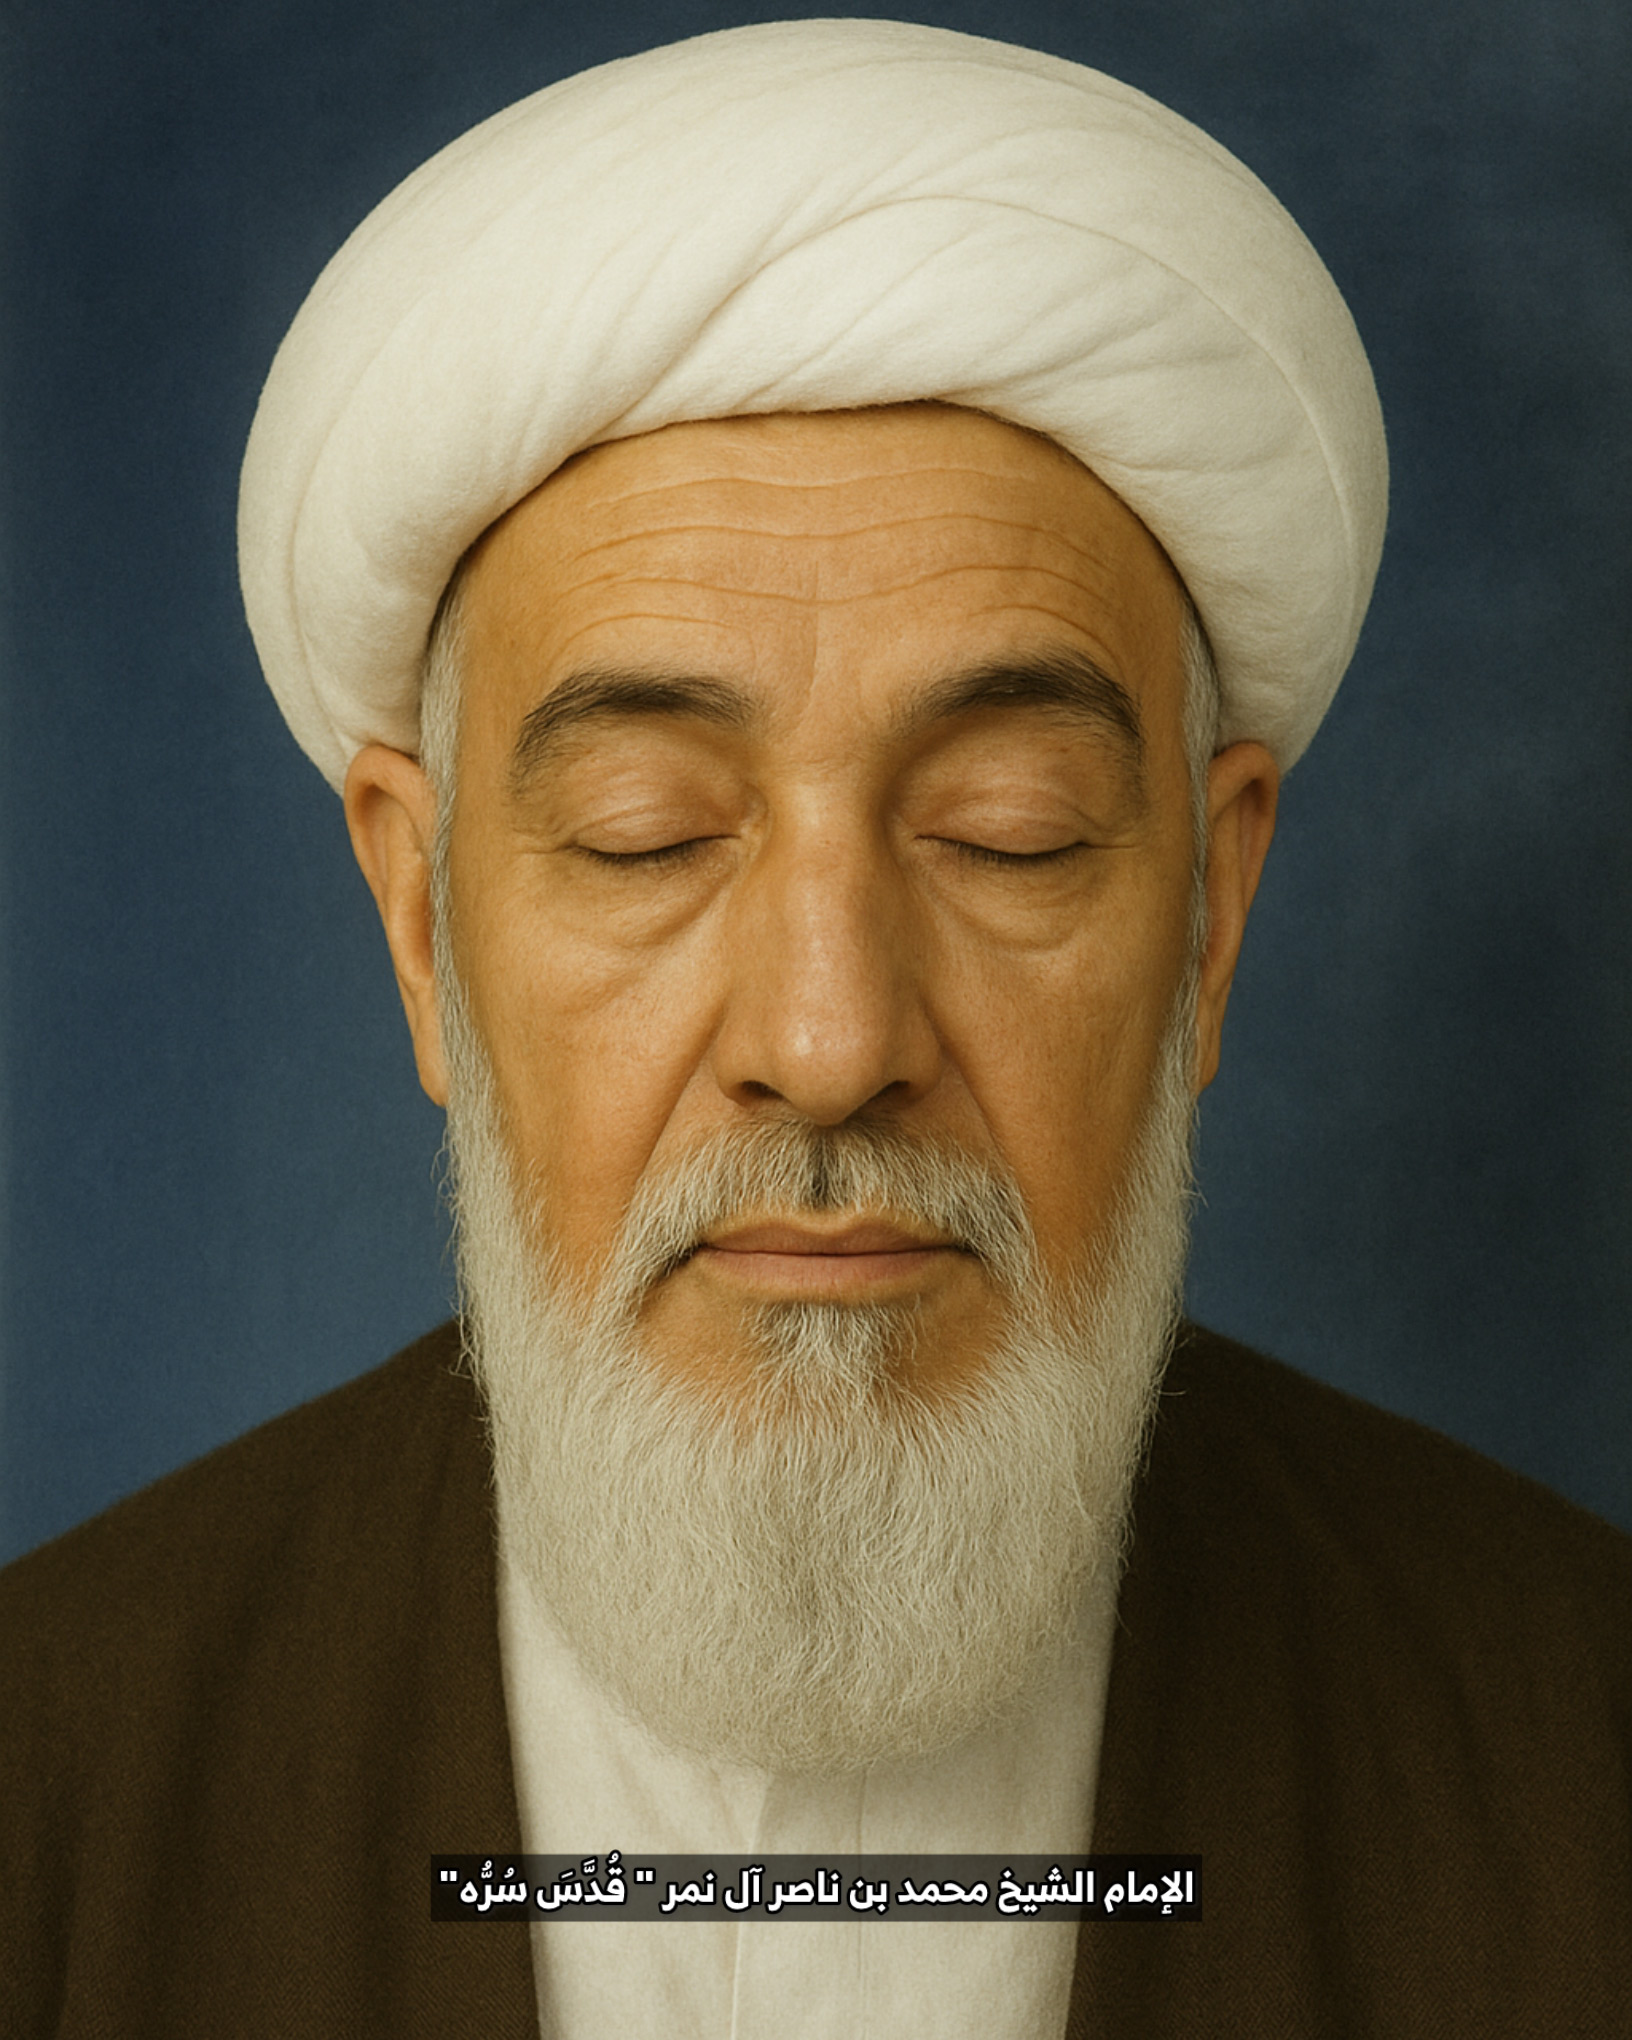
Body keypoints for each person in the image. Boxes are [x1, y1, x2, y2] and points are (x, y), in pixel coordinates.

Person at [2, 21, 1626, 2038]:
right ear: (423, 925)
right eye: (649, 835)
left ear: (1212, 914)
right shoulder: (48, 1795)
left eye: (1009, 833)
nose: (833, 1038)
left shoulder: (1583, 1769)